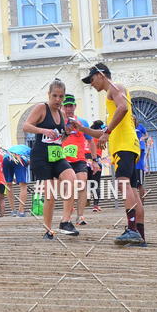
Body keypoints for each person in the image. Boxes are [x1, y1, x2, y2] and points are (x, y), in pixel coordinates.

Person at [80, 63, 145, 246]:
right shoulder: (112, 97)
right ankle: (140, 235)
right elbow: (102, 133)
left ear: (101, 75)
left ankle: (132, 230)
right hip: (127, 145)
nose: (91, 83)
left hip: (124, 145)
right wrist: (82, 129)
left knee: (123, 184)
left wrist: (107, 132)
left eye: (92, 79)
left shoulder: (115, 88)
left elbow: (122, 108)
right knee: (133, 190)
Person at [23, 79, 79, 240]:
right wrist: (43, 130)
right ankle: (48, 230)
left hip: (56, 155)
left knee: (72, 179)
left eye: (61, 96)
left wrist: (66, 133)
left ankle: (65, 221)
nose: (57, 99)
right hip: (41, 157)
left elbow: (59, 139)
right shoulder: (42, 108)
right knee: (50, 194)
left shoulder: (61, 114)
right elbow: (26, 126)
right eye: (54, 96)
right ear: (49, 94)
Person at [61, 94, 98, 226]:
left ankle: (80, 216)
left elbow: (91, 141)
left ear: (75, 106)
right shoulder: (59, 122)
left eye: (71, 106)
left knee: (82, 185)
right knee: (67, 187)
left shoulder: (83, 122)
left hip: (79, 159)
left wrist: (94, 160)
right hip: (63, 160)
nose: (68, 109)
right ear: (62, 107)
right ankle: (68, 213)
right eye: (66, 106)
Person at [3, 143, 31, 217]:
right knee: (23, 185)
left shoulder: (16, 148)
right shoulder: (31, 151)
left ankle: (13, 211)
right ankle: (21, 211)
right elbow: (30, 162)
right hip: (19, 157)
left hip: (6, 158)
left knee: (8, 184)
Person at [87, 120, 105, 212]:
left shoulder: (88, 134)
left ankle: (85, 199)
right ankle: (96, 205)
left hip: (85, 160)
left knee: (85, 182)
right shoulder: (101, 135)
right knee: (96, 183)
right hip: (96, 160)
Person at [134, 117, 149, 205]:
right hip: (132, 148)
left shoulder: (140, 126)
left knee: (140, 184)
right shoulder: (129, 127)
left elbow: (146, 135)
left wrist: (143, 138)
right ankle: (136, 202)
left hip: (139, 165)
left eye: (134, 119)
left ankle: (141, 202)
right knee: (133, 185)